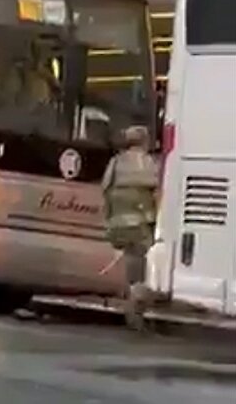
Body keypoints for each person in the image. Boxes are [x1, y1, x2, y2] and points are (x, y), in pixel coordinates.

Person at [101, 125, 159, 329]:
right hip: (140, 225)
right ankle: (135, 310)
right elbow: (156, 190)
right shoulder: (147, 162)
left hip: (118, 224)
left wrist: (108, 219)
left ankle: (131, 300)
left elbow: (105, 189)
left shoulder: (116, 162)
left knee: (129, 263)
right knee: (138, 267)